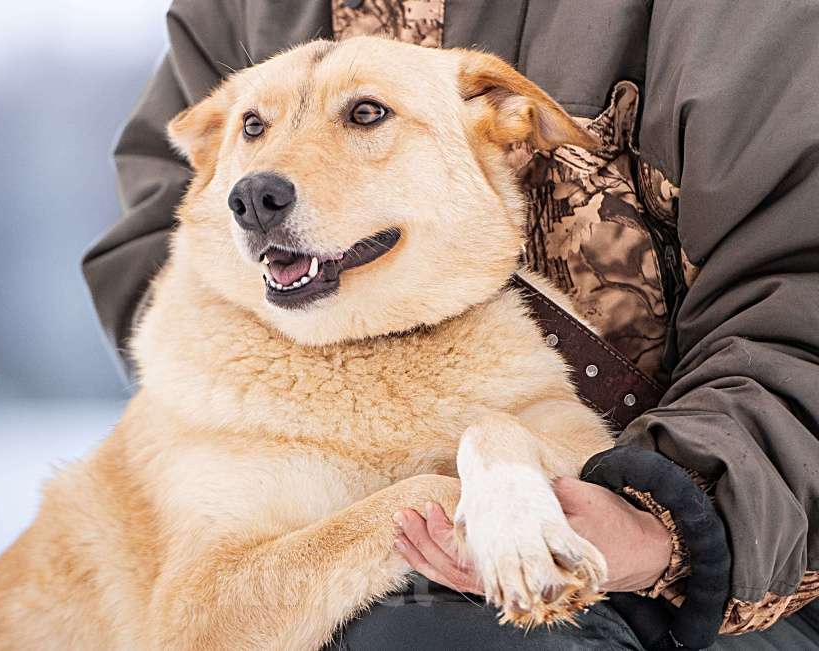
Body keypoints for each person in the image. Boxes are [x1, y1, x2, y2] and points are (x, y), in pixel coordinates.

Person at [82, 1, 819, 648]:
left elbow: (797, 294)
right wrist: (284, 412)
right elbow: (173, 212)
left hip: (730, 571)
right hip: (313, 482)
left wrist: (670, 521)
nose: (262, 188)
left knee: (434, 627)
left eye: (364, 115)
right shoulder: (238, 11)